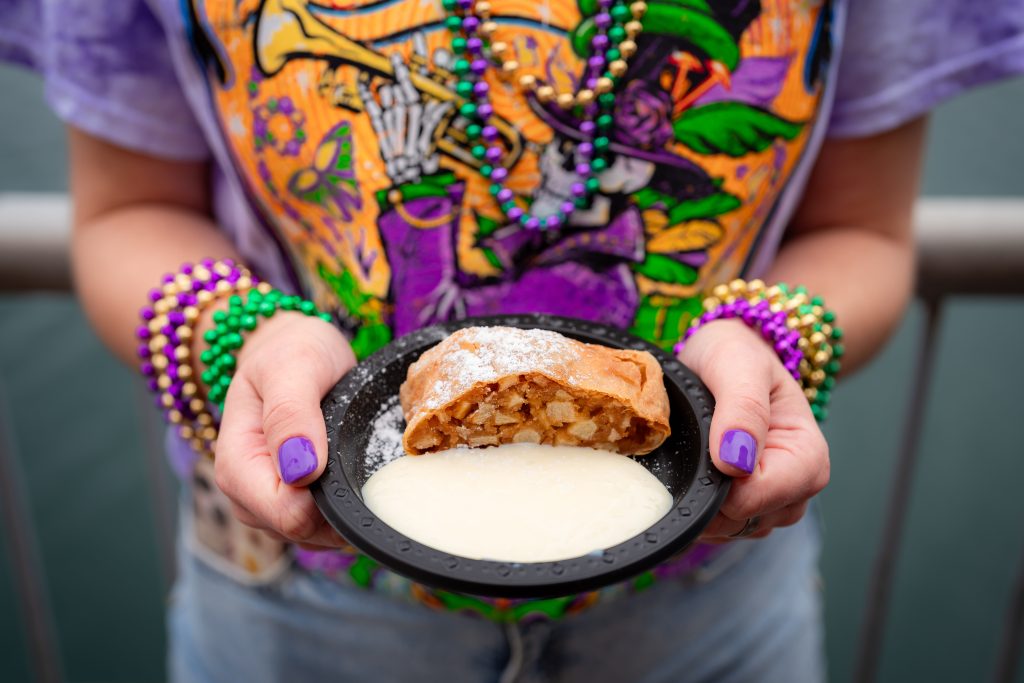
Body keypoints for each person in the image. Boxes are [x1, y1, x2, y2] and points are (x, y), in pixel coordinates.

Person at [2, 0, 1022, 680]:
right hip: (296, 617)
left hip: (706, 614)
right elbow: (126, 210)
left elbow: (864, 232)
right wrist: (237, 334)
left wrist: (768, 336)